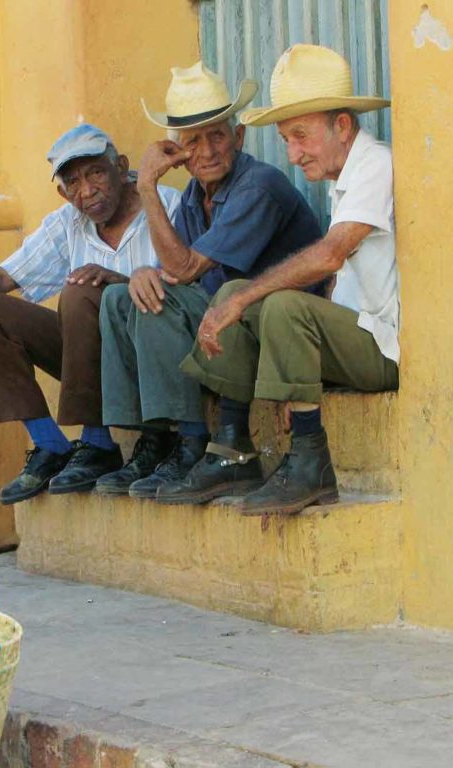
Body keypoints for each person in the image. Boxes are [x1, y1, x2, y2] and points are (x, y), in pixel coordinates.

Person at [175, 43, 399, 515]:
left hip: (386, 349)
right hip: (356, 337)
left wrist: (247, 304)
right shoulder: (346, 175)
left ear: (341, 126)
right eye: (286, 140)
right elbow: (344, 285)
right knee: (234, 291)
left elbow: (331, 256)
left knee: (271, 302)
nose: (293, 155)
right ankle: (233, 445)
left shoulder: (375, 163)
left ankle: (310, 459)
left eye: (301, 136)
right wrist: (285, 366)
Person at [94, 62, 322, 501]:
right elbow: (172, 269)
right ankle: (154, 438)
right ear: (178, 151)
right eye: (193, 141)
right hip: (226, 328)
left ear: (239, 138)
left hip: (275, 333)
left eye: (218, 135)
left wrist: (146, 187)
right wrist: (144, 272)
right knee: (121, 298)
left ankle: (193, 441)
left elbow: (184, 270)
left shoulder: (258, 186)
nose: (208, 150)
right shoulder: (196, 198)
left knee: (158, 303)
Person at [0, 124, 180, 505]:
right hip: (89, 359)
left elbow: (185, 284)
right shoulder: (67, 223)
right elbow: (8, 274)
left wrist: (118, 282)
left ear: (121, 168)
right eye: (73, 182)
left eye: (96, 173)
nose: (87, 191)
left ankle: (95, 441)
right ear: (62, 192)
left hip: (150, 356)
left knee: (80, 291)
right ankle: (49, 444)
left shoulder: (167, 203)